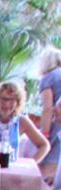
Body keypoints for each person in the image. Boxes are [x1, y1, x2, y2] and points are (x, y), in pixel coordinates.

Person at [0, 79, 49, 165]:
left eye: (12, 100)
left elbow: (44, 145)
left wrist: (30, 164)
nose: (7, 104)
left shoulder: (21, 121)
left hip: (11, 168)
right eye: (3, 99)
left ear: (18, 102)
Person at [38, 47, 61, 176]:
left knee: (48, 170)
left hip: (56, 126)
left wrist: (44, 135)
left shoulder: (48, 78)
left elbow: (48, 108)